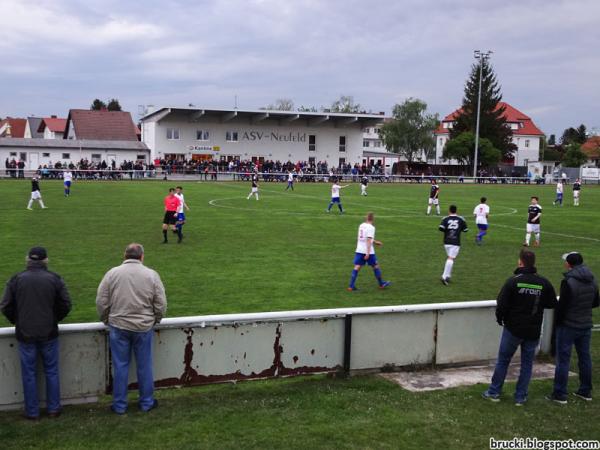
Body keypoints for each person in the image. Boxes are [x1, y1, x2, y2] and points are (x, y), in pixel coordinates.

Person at [0, 247, 72, 419]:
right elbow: (66, 304)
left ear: (28, 260)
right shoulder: (54, 279)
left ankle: (32, 412)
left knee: (29, 373)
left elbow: (5, 305)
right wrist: (54, 318)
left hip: (25, 333)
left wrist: (17, 320)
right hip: (48, 332)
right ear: (45, 260)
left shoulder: (16, 279)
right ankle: (53, 409)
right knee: (52, 371)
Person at [96, 243, 167, 414]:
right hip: (143, 327)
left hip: (119, 325)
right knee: (144, 366)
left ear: (125, 255)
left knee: (120, 366)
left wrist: (107, 319)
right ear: (142, 256)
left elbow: (101, 301)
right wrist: (155, 319)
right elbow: (161, 303)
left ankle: (120, 405)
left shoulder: (112, 274)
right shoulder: (151, 275)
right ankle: (146, 402)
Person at [482, 250, 557, 405]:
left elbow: (502, 304)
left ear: (520, 262)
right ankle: (520, 396)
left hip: (513, 329)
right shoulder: (543, 282)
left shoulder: (513, 281)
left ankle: (494, 392)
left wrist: (500, 319)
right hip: (533, 330)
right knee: (527, 364)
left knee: (503, 360)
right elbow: (552, 303)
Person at [547, 252, 599, 404]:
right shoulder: (592, 279)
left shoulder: (568, 281)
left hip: (569, 325)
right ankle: (585, 390)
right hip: (585, 323)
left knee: (563, 359)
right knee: (585, 358)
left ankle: (560, 393)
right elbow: (596, 302)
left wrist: (558, 323)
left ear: (569, 264)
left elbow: (562, 306)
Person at [347, 212, 390, 291]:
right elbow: (368, 240)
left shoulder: (361, 225)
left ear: (366, 218)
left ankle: (351, 286)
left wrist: (375, 242)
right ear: (373, 219)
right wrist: (367, 252)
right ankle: (381, 284)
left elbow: (365, 238)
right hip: (368, 251)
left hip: (359, 249)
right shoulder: (371, 227)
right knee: (375, 266)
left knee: (357, 266)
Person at [439, 205, 468, 285]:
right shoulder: (461, 219)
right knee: (451, 258)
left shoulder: (445, 218)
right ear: (456, 211)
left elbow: (441, 228)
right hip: (455, 242)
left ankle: (448, 276)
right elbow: (465, 230)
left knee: (450, 258)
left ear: (449, 210)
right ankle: (444, 276)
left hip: (446, 241)